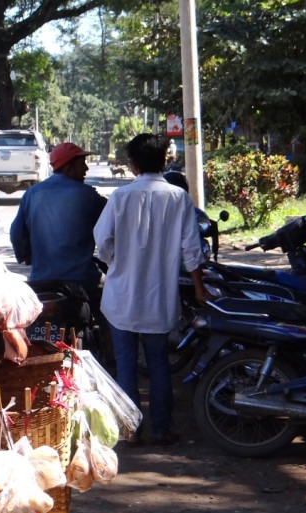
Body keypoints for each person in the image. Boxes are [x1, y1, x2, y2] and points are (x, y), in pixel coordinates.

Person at [92, 133, 207, 447]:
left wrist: (115, 260)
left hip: (121, 299)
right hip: (159, 299)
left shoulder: (120, 197)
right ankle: (162, 428)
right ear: (164, 161)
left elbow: (102, 242)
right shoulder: (178, 198)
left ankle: (131, 431)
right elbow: (192, 250)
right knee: (159, 364)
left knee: (126, 365)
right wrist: (199, 288)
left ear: (132, 165)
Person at [9, 142, 107, 304]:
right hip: (82, 279)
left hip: (40, 279)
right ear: (68, 167)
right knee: (112, 299)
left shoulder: (32, 193)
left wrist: (28, 257)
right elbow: (113, 228)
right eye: (82, 164)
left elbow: (16, 235)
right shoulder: (89, 196)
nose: (86, 169)